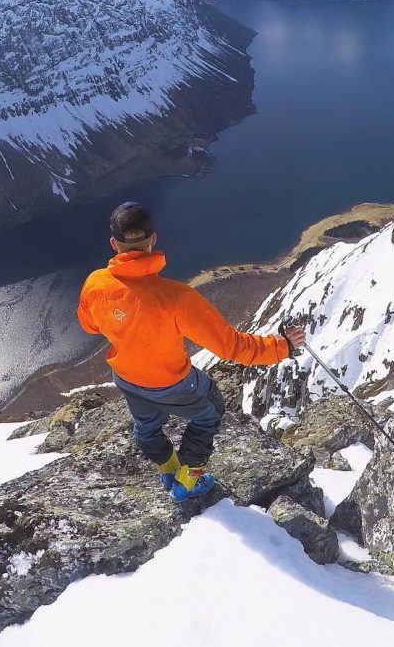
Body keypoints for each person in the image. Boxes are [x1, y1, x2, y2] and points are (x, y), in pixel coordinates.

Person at [77, 201, 306, 501]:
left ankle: (168, 468)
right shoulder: (176, 297)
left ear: (113, 243)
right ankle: (187, 480)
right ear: (153, 239)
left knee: (146, 426)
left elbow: (90, 326)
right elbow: (231, 346)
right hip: (171, 383)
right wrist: (282, 347)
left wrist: (121, 319)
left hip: (126, 378)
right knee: (210, 412)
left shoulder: (95, 284)